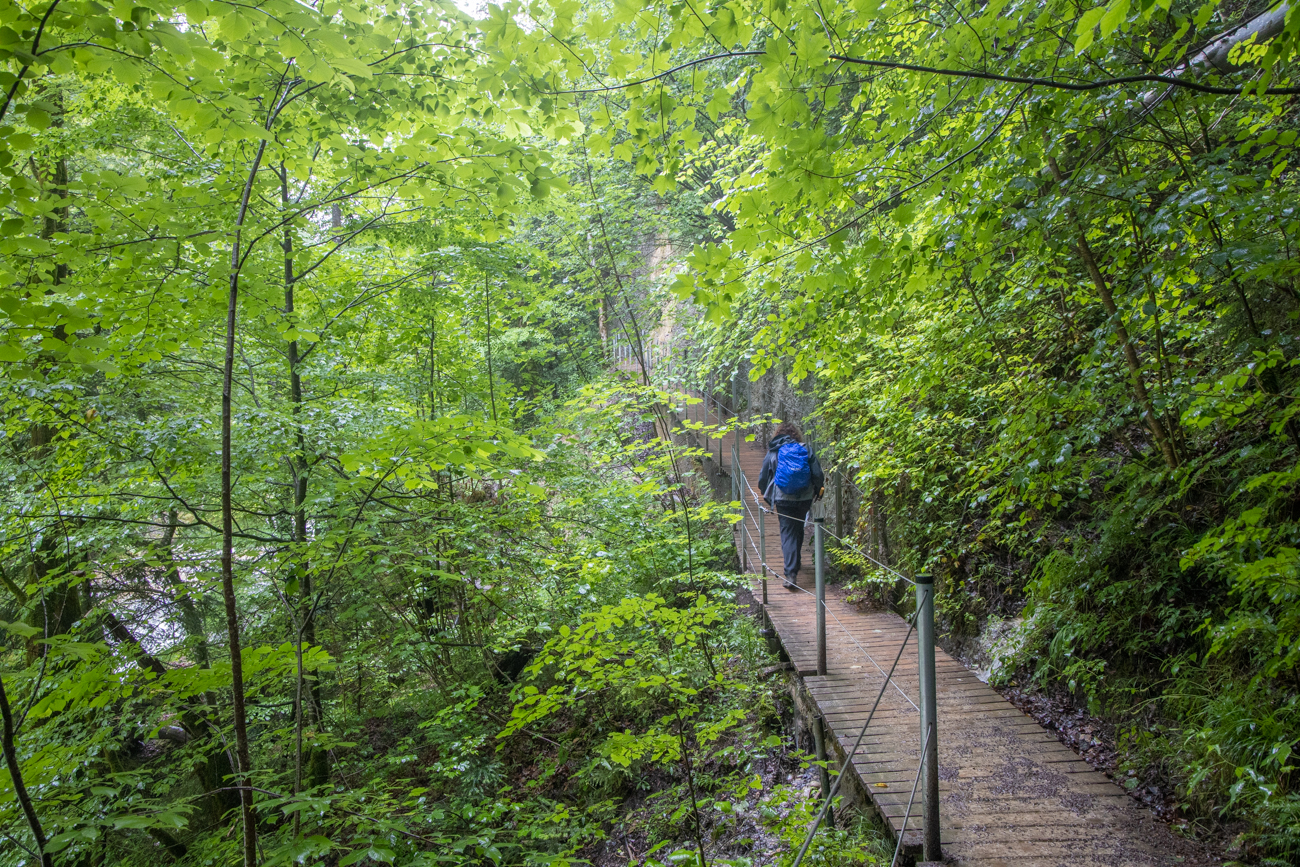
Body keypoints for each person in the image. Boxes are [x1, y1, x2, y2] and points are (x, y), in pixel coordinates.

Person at [757, 421, 825, 590]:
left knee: (787, 532)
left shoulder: (775, 451)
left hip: (783, 498)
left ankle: (791, 574)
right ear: (796, 435)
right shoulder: (805, 449)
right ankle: (796, 562)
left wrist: (768, 495)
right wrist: (818, 491)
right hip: (804, 497)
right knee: (798, 526)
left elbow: (763, 478)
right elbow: (817, 473)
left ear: (778, 434)